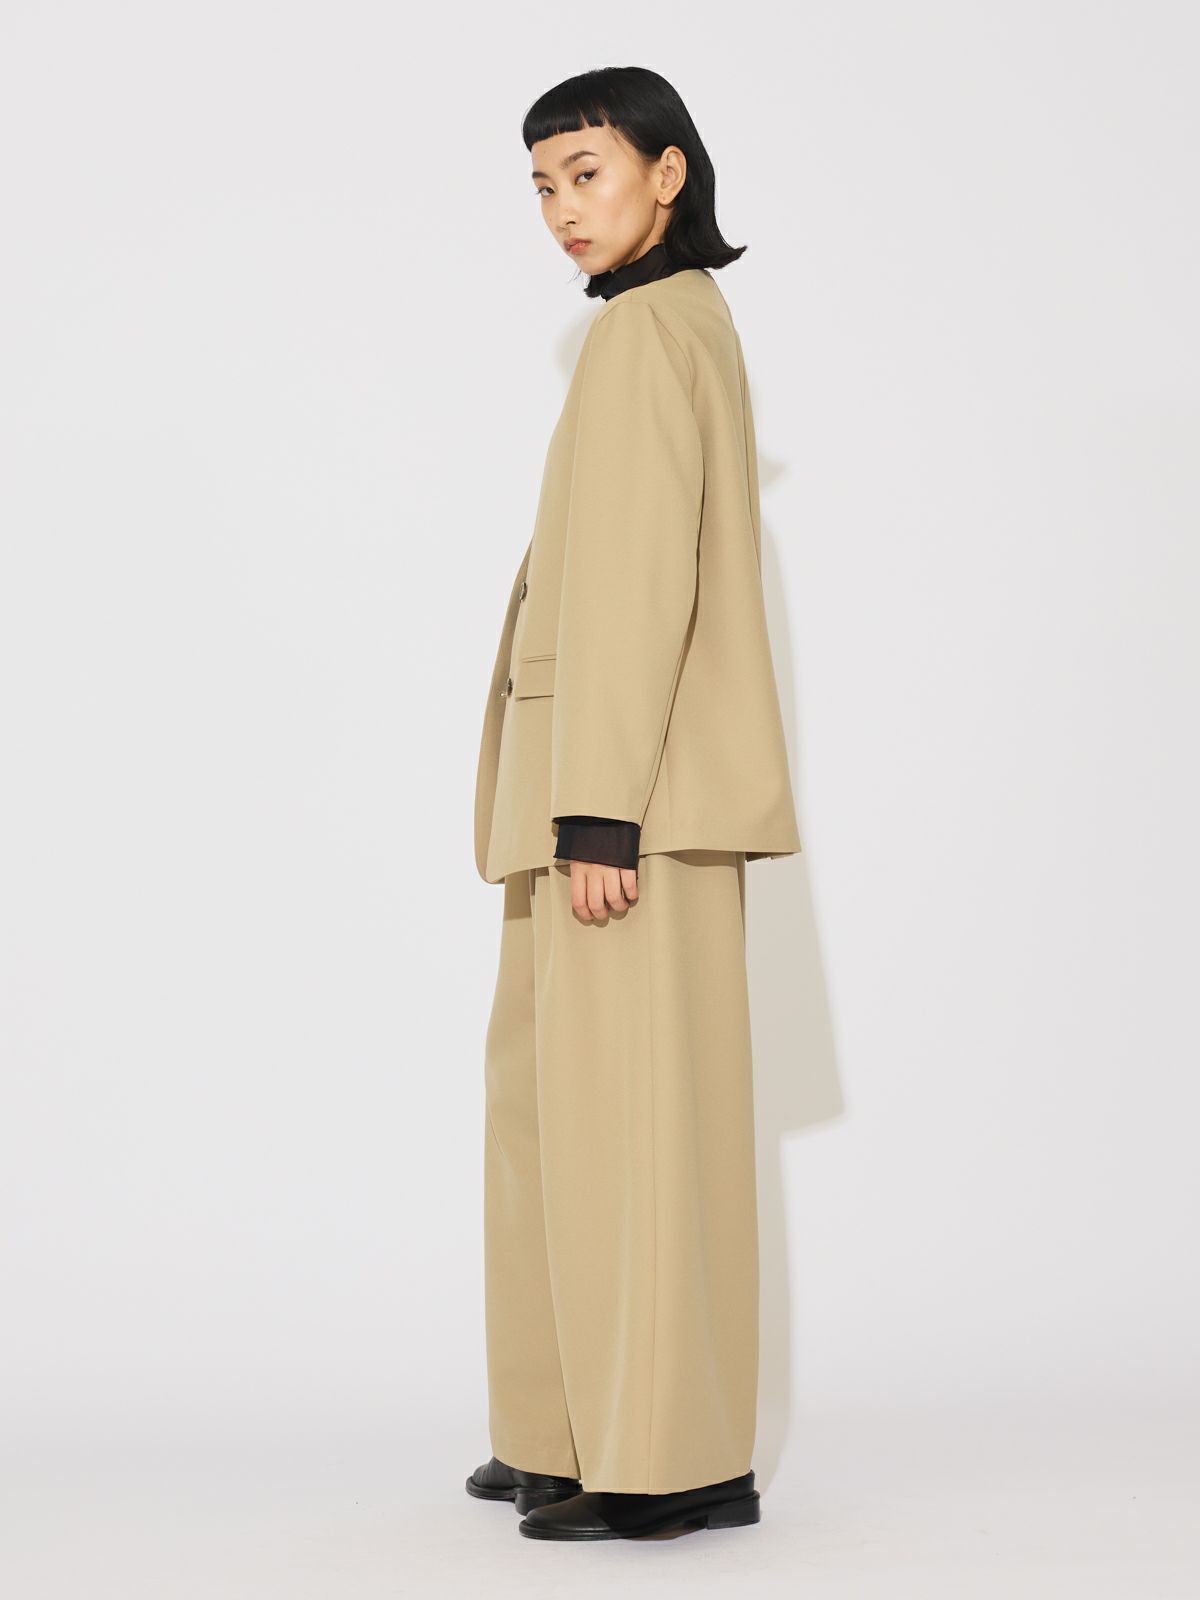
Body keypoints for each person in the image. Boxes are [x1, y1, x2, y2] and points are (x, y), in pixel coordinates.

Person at [466, 65, 802, 1542]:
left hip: (623, 810)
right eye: (543, 185)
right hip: (585, 795)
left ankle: (669, 1462)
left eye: (586, 173)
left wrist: (598, 813)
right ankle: (559, 1428)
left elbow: (635, 584)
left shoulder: (651, 332)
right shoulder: (659, 325)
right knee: (549, 1112)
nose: (561, 208)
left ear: (668, 173)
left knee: (631, 1129)